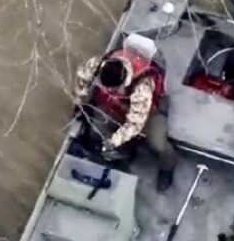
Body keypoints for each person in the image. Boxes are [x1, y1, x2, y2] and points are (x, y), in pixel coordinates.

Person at [73, 34, 178, 192]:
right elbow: (82, 79)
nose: (109, 90)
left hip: (149, 112)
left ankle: (167, 168)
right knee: (97, 128)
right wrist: (80, 102)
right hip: (116, 105)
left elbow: (135, 124)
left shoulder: (142, 88)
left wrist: (113, 141)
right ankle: (122, 152)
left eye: (113, 88)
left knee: (158, 143)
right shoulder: (98, 64)